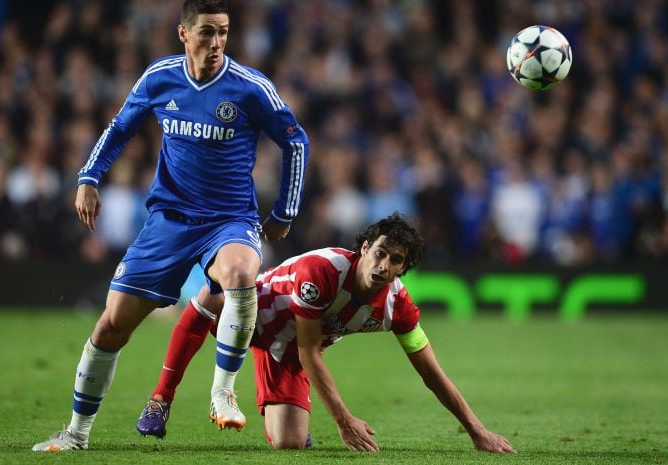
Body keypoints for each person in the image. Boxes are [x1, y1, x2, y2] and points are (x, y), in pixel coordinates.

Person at [32, 0, 309, 452]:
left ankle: (222, 393)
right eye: (206, 32)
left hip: (229, 220)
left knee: (240, 276)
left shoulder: (250, 87)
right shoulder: (160, 78)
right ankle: (76, 434)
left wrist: (284, 212)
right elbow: (120, 127)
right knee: (111, 326)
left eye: (223, 32)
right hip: (169, 220)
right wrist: (88, 177)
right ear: (184, 34)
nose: (216, 42)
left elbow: (295, 140)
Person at [137, 213, 515, 453]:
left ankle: (288, 419)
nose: (384, 265)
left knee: (288, 444)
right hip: (253, 313)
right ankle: (160, 398)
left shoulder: (397, 307)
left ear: (403, 269)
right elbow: (310, 350)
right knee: (217, 293)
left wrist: (477, 431)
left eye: (396, 260)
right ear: (365, 248)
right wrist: (344, 420)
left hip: (285, 349)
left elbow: (431, 372)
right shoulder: (323, 271)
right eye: (380, 252)